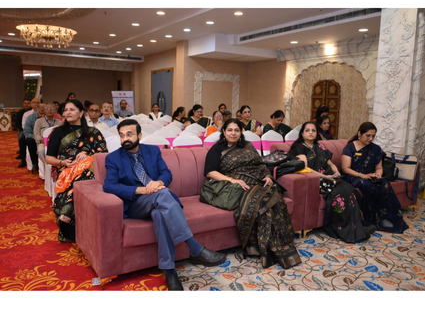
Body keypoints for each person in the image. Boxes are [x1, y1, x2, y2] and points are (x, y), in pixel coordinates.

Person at [103, 119, 226, 291]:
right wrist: (141, 190)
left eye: (129, 134)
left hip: (158, 199)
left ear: (140, 135)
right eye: (122, 135)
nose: (125, 139)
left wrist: (159, 182)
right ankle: (194, 247)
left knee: (159, 214)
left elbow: (166, 173)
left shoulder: (153, 151)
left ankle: (169, 272)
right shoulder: (113, 158)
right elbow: (109, 186)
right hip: (136, 204)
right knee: (164, 194)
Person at [204, 118, 301, 269]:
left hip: (257, 181)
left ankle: (278, 248)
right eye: (230, 130)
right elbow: (210, 172)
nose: (233, 133)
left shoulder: (248, 146)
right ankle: (262, 249)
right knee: (261, 205)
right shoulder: (216, 149)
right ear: (223, 131)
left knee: (277, 202)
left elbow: (260, 165)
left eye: (236, 130)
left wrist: (268, 176)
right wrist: (233, 180)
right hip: (235, 186)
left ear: (241, 132)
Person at [289, 122, 376, 243]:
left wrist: (336, 172)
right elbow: (305, 168)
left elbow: (330, 163)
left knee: (351, 191)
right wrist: (325, 177)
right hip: (317, 180)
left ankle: (360, 227)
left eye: (313, 130)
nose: (310, 132)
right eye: (307, 130)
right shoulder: (299, 147)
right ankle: (344, 230)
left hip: (331, 177)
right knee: (341, 194)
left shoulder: (320, 147)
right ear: (302, 133)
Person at [46, 99, 108, 243]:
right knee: (86, 173)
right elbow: (49, 158)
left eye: (72, 109)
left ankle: (67, 213)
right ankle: (70, 215)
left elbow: (104, 154)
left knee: (88, 167)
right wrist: (62, 162)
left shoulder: (93, 132)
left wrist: (88, 155)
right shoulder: (58, 132)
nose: (67, 112)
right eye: (65, 110)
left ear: (81, 113)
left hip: (90, 168)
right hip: (68, 169)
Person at [341, 122, 408, 233]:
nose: (371, 139)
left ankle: (387, 218)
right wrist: (363, 175)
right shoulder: (350, 147)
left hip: (370, 176)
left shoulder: (376, 149)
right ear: (359, 133)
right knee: (366, 185)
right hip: (354, 176)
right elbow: (345, 168)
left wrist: (378, 176)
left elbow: (379, 168)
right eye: (368, 135)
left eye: (373, 136)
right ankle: (371, 219)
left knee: (385, 185)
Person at [34, 102, 63, 172]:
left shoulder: (60, 122)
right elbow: (36, 134)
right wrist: (42, 140)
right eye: (47, 108)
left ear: (55, 111)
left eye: (52, 108)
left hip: (56, 143)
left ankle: (56, 165)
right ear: (44, 110)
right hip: (43, 143)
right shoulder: (39, 121)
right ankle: (47, 165)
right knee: (41, 150)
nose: (50, 110)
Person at [23, 102, 45, 174]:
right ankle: (35, 163)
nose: (42, 116)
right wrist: (38, 139)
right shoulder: (30, 118)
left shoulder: (49, 118)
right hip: (34, 137)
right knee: (30, 141)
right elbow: (27, 131)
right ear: (37, 110)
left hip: (45, 137)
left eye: (44, 113)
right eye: (41, 113)